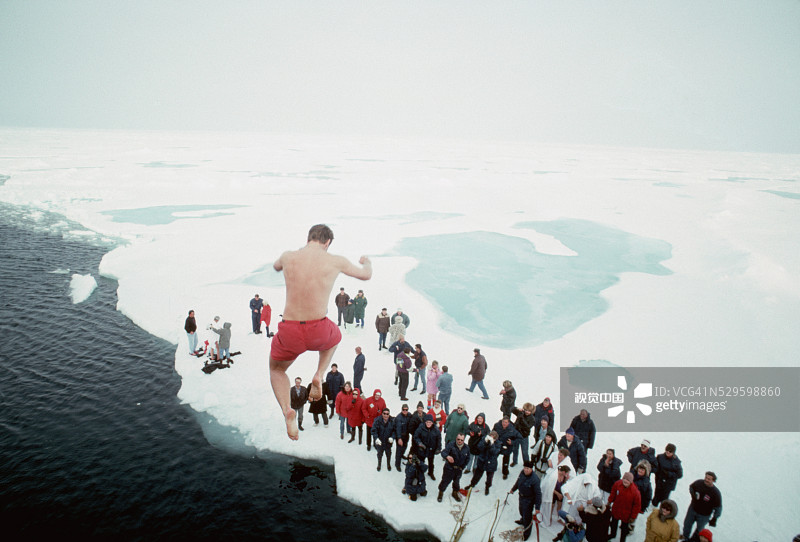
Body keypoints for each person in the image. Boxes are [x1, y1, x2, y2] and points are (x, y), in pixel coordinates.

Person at [269, 224, 372, 440]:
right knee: (335, 337)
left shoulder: (288, 256)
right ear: (328, 242)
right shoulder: (335, 260)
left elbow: (276, 265)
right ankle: (319, 373)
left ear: (309, 238)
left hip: (289, 328)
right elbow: (365, 275)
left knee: (277, 369)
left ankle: (287, 410)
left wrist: (292, 258)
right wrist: (367, 262)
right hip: (318, 328)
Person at [682, 472, 722, 541]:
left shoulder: (716, 493)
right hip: (693, 509)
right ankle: (685, 538)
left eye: (709, 479)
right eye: (706, 477)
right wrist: (693, 494)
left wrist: (714, 518)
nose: (706, 480)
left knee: (699, 530)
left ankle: (693, 540)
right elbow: (691, 487)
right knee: (687, 524)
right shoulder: (699, 483)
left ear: (713, 480)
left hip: (704, 515)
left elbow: (718, 508)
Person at [509, 461, 542, 541]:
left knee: (527, 516)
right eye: (525, 468)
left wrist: (537, 507)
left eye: (528, 468)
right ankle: (522, 520)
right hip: (521, 497)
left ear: (531, 469)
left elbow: (538, 494)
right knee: (521, 510)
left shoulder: (535, 479)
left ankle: (526, 533)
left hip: (529, 500)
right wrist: (513, 489)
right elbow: (518, 482)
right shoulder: (522, 473)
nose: (526, 470)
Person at [463, 430, 502, 495]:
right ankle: (472, 484)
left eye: (493, 437)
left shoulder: (498, 443)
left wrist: (491, 445)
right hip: (482, 461)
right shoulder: (484, 439)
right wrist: (485, 443)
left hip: (491, 463)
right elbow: (479, 447)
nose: (491, 437)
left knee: (489, 477)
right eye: (490, 436)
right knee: (477, 475)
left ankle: (487, 487)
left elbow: (494, 452)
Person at [608, 472, 641, 542]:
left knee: (624, 528)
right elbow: (613, 493)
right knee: (613, 524)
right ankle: (612, 534)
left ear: (631, 482)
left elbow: (637, 506)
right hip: (616, 510)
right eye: (624, 478)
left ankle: (622, 540)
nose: (625, 481)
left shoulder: (635, 492)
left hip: (626, 514)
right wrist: (609, 501)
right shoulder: (617, 484)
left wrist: (633, 517)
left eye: (628, 480)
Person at [436, 433, 469, 502]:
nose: (459, 441)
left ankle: (454, 493)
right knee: (445, 481)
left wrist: (462, 467)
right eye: (458, 439)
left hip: (458, 469)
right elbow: (443, 452)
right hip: (449, 468)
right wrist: (447, 456)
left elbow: (467, 459)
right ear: (456, 438)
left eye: (461, 440)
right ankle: (441, 493)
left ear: (464, 440)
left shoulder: (466, 448)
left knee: (456, 482)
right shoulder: (451, 445)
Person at [413, 414, 441, 480]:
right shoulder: (421, 427)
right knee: (421, 462)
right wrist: (420, 443)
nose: (428, 423)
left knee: (431, 463)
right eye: (427, 422)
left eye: (430, 422)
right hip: (422, 449)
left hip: (431, 449)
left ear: (432, 422)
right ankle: (420, 473)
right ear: (425, 422)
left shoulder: (436, 429)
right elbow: (416, 436)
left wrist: (438, 448)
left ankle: (430, 473)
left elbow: (439, 439)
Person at [493, 415, 521, 480]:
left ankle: (505, 472)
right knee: (493, 457)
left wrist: (512, 442)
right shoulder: (497, 425)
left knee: (506, 460)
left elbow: (520, 438)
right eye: (503, 422)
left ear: (508, 423)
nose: (504, 424)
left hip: (507, 446)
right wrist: (494, 438)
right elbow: (492, 433)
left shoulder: (512, 429)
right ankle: (493, 467)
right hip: (498, 445)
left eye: (506, 422)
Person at [510, 402, 536, 467]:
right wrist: (517, 408)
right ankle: (514, 461)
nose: (527, 412)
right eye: (526, 410)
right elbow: (511, 409)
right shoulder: (521, 413)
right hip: (516, 435)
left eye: (529, 411)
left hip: (524, 436)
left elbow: (527, 427)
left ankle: (526, 463)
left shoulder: (532, 419)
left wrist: (522, 419)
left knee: (524, 452)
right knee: (515, 449)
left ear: (531, 411)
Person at [393, 403, 412, 471]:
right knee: (399, 449)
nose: (405, 411)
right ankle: (397, 464)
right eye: (403, 409)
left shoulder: (409, 415)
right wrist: (399, 438)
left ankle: (402, 455)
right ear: (401, 410)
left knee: (405, 446)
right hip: (400, 435)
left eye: (406, 410)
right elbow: (398, 429)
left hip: (406, 435)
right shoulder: (399, 418)